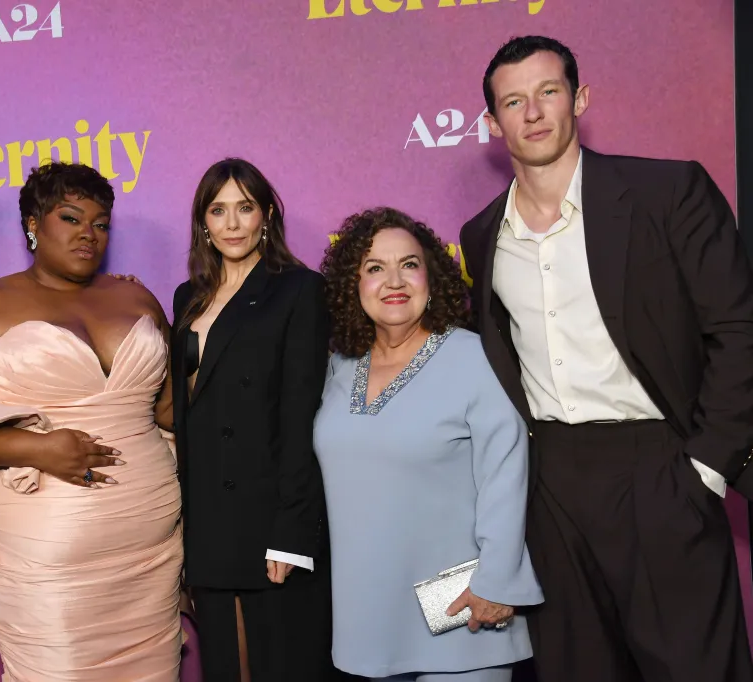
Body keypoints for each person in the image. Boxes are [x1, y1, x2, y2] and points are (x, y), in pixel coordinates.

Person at [459, 35, 753, 682]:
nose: (532, 112)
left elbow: (738, 329)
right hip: (551, 482)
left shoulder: (667, 192)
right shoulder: (483, 235)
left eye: (548, 92)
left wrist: (705, 468)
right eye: (513, 101)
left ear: (580, 99)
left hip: (661, 467)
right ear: (492, 123)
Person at [0, 161, 183, 682]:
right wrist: (37, 450)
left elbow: (169, 410)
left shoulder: (136, 297)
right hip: (44, 549)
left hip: (150, 542)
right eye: (71, 219)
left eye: (100, 223)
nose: (88, 235)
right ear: (33, 223)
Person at [314, 207, 542, 682]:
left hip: (463, 609)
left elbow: (506, 474)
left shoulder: (475, 356)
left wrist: (497, 583)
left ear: (432, 277)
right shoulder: (339, 366)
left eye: (409, 264)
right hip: (368, 619)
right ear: (352, 286)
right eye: (374, 268)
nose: (394, 280)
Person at [170, 158, 337, 682]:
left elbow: (301, 415)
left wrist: (291, 531)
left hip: (268, 513)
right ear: (204, 222)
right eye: (219, 211)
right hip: (208, 518)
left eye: (245, 208)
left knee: (279, 664)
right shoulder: (186, 296)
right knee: (224, 665)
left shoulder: (299, 289)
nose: (233, 223)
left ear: (266, 214)